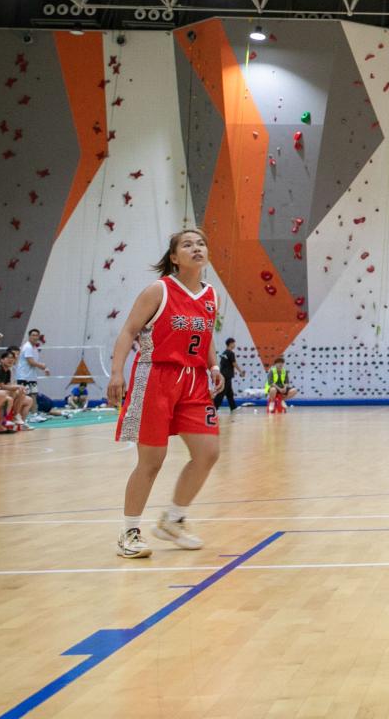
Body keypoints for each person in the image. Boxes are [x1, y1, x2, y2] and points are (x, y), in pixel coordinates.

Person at [107, 228, 226, 558]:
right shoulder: (158, 290)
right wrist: (116, 373)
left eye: (201, 243)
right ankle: (129, 532)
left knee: (208, 452)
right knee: (152, 461)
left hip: (194, 380)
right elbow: (128, 331)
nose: (196, 248)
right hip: (155, 377)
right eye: (187, 245)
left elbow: (206, 335)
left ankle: (173, 520)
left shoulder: (211, 295)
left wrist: (214, 366)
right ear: (174, 257)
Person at [218, 338, 241, 414]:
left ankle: (233, 407)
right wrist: (240, 371)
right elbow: (234, 363)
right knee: (222, 392)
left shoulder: (224, 353)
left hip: (223, 374)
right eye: (234, 343)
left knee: (229, 393)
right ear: (230, 344)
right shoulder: (231, 353)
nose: (234, 345)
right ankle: (214, 406)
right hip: (227, 375)